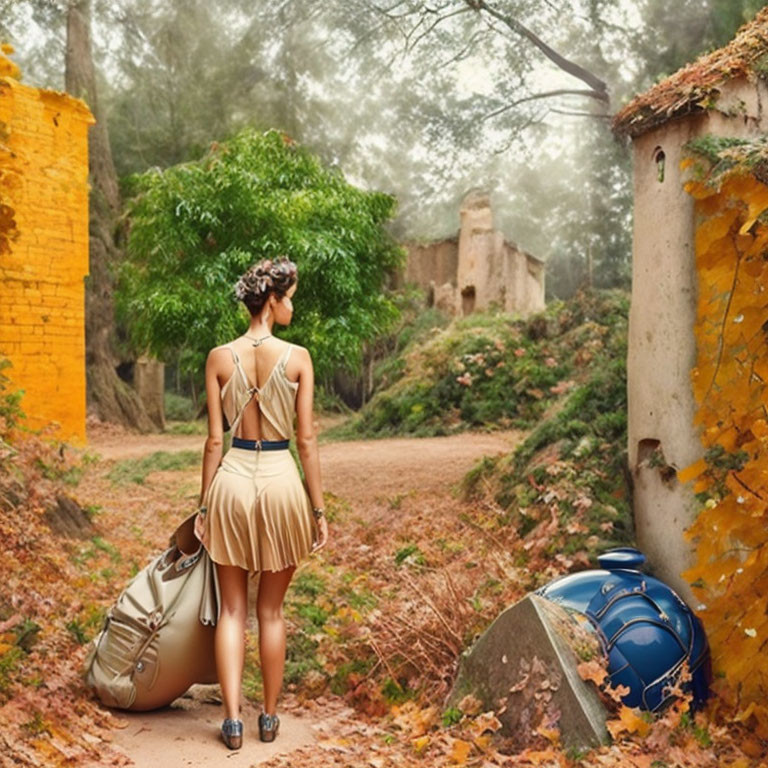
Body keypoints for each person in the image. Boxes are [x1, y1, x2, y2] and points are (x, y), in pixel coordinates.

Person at [193, 256, 329, 750]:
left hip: (230, 479)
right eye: (289, 296)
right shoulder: (297, 358)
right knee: (269, 611)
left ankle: (231, 722)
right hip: (279, 480)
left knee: (232, 610)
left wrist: (204, 507)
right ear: (272, 301)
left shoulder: (218, 358)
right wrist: (317, 509)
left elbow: (212, 442)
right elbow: (307, 441)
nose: (292, 305)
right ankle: (268, 719)